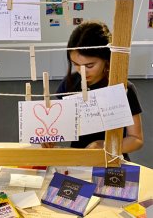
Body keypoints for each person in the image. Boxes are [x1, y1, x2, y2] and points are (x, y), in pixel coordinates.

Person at [54, 21, 143, 159]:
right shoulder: (69, 84)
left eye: (90, 65)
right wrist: (50, 136)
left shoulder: (123, 89)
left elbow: (136, 139)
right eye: (76, 64)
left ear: (106, 59)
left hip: (112, 159)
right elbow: (58, 124)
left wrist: (104, 145)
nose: (82, 71)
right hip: (79, 159)